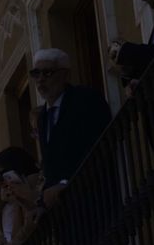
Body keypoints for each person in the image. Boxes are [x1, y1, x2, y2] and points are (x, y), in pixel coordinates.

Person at [31, 48, 110, 206]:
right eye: (36, 73)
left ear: (65, 75)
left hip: (94, 198)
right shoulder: (42, 118)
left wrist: (65, 183)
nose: (40, 80)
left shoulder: (85, 99)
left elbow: (98, 146)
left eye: (47, 73)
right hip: (65, 210)